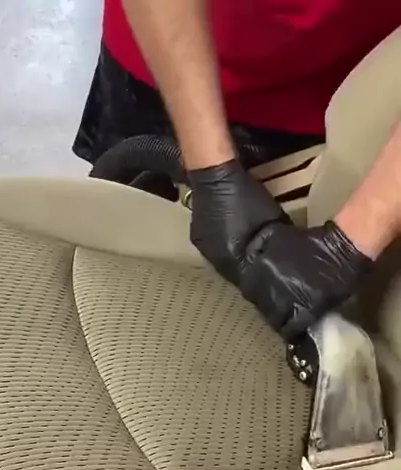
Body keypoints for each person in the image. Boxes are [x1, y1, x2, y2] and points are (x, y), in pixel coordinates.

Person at [73, 2, 401, 340]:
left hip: (339, 81)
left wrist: (349, 241)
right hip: (165, 49)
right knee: (113, 267)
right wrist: (213, 172)